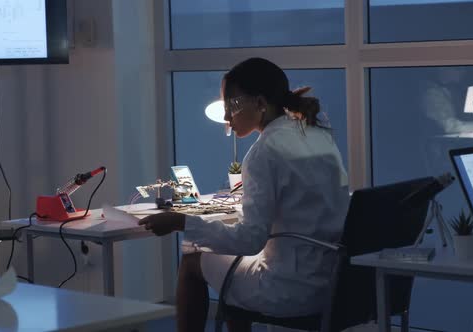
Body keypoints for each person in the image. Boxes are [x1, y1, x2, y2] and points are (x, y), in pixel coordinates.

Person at [138, 57, 350, 332]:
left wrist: (182, 222)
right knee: (234, 270)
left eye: (232, 106)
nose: (227, 117)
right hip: (330, 281)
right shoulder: (316, 133)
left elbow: (250, 240)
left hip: (290, 288)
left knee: (192, 259)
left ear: (261, 104)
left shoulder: (264, 151)